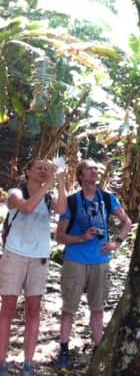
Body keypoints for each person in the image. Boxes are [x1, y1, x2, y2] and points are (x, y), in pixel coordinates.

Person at [55, 159, 132, 369]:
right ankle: (63, 349)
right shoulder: (71, 202)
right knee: (69, 308)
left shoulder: (107, 199)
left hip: (100, 261)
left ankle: (98, 350)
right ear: (80, 175)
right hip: (75, 260)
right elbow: (59, 236)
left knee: (97, 308)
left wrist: (116, 242)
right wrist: (81, 237)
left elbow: (127, 222)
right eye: (90, 169)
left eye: (97, 169)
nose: (95, 172)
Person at [0, 159, 66, 376]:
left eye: (47, 168)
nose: (44, 171)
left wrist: (62, 182)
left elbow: (62, 209)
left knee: (33, 310)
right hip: (15, 255)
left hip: (39, 258)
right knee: (8, 309)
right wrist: (48, 183)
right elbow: (27, 208)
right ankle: (2, 361)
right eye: (39, 168)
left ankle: (28, 363)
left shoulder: (49, 198)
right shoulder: (15, 193)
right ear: (27, 172)